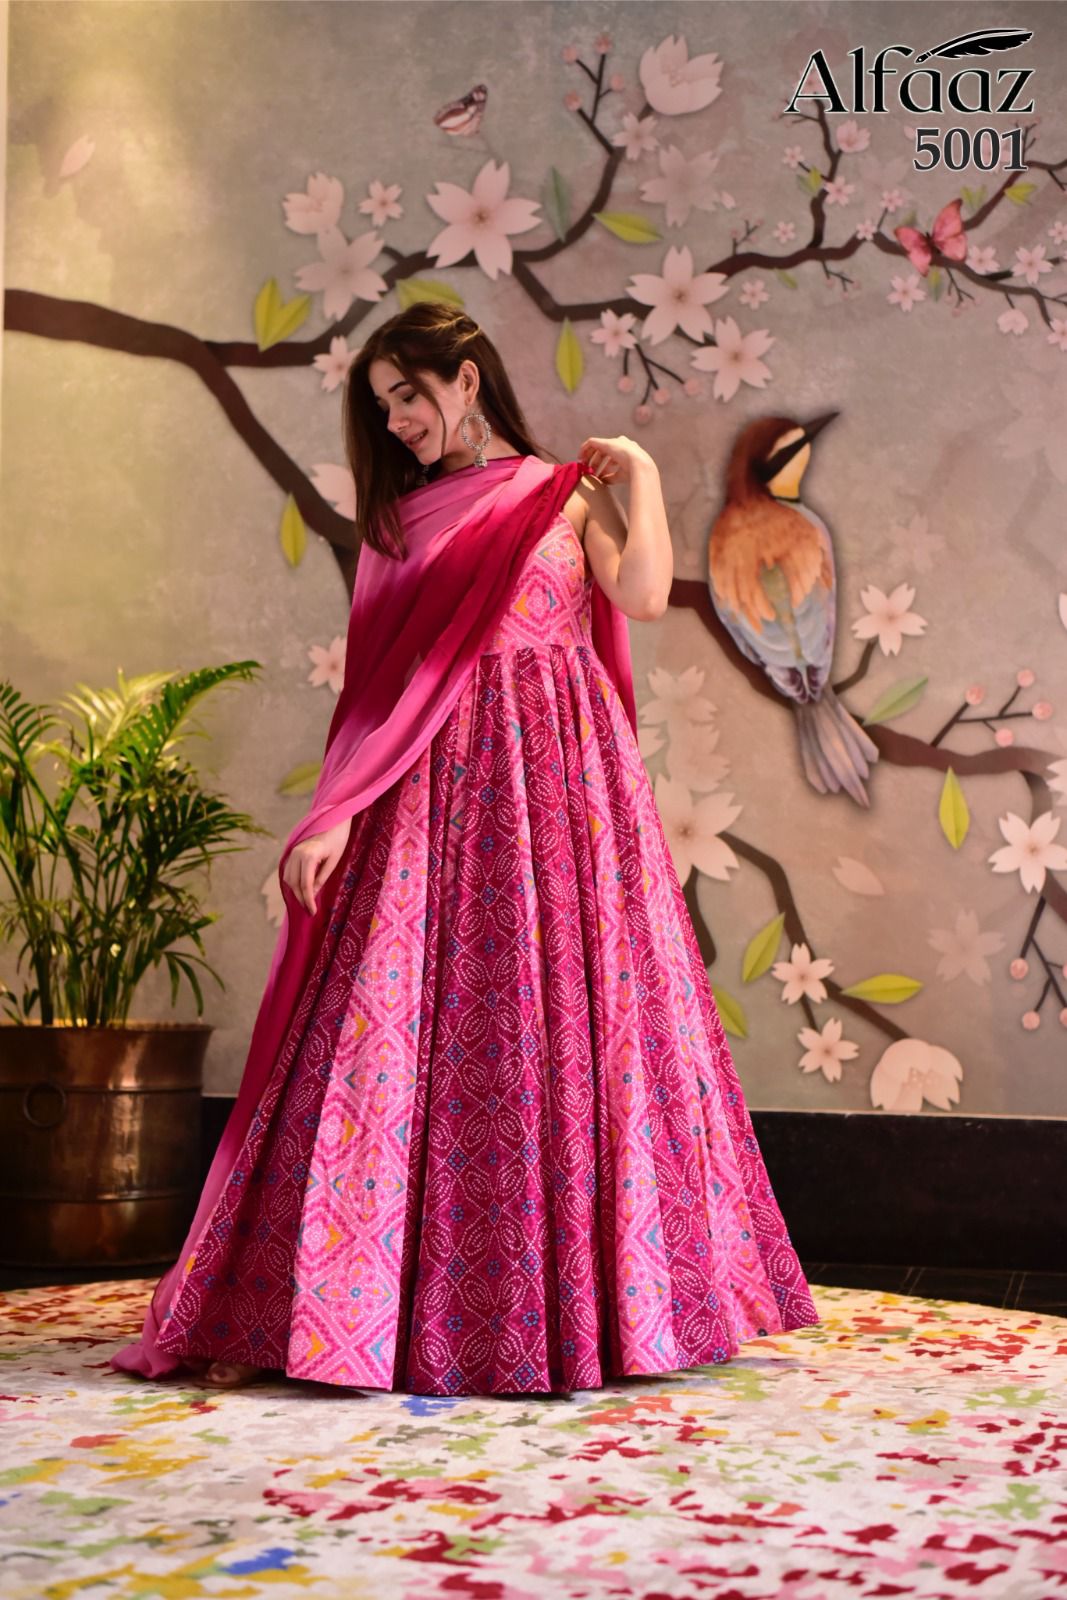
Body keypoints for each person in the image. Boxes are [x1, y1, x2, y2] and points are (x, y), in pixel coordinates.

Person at [112, 303, 818, 1396]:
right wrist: (337, 811)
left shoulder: (561, 493)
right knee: (409, 1029)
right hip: (436, 788)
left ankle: (612, 1309)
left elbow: (638, 595)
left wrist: (634, 476)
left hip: (572, 792)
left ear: (467, 378)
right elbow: (377, 690)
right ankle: (365, 1309)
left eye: (410, 394)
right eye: (382, 404)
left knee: (587, 1021)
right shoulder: (401, 523)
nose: (397, 421)